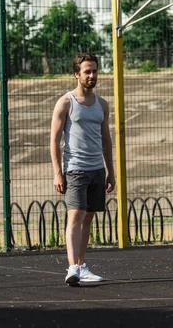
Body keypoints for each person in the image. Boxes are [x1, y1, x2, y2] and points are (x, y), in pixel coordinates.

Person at [50, 52, 115, 287]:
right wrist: (58, 172)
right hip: (75, 169)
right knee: (75, 216)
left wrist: (111, 172)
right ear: (77, 74)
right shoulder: (66, 102)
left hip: (97, 169)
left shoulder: (102, 105)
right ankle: (73, 268)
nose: (92, 75)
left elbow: (106, 140)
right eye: (87, 71)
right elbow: (54, 140)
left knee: (87, 218)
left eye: (95, 71)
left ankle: (81, 265)